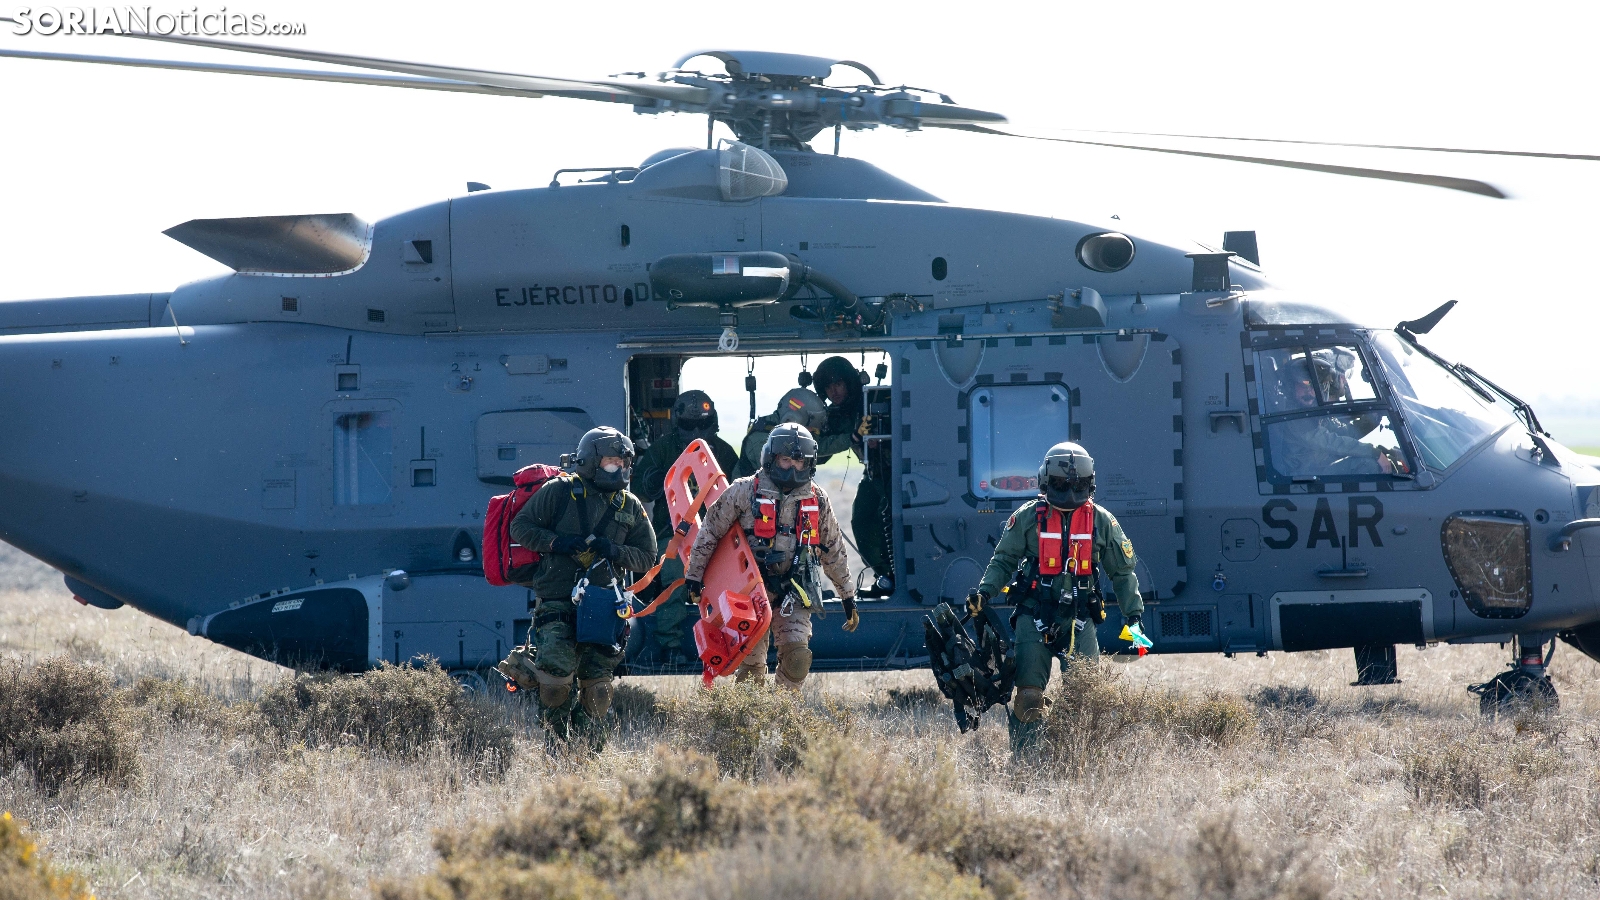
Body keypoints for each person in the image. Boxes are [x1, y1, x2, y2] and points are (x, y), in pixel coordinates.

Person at [965, 442, 1142, 751]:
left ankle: (1074, 757)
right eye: (1062, 484)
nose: (1069, 492)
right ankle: (1026, 761)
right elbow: (1003, 561)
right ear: (1046, 482)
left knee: (1085, 696)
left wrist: (1134, 616)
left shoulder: (1101, 522)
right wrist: (984, 592)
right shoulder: (1028, 518)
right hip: (1034, 616)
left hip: (1079, 618)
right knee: (1029, 698)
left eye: (1077, 485)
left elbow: (1123, 572)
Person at [508, 426, 657, 739]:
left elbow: (647, 557)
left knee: (598, 692)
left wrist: (615, 551)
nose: (620, 467)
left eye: (624, 462)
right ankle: (557, 748)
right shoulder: (558, 491)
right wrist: (556, 543)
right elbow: (520, 528)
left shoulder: (629, 505)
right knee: (554, 686)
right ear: (590, 461)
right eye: (612, 461)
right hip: (557, 603)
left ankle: (590, 756)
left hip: (603, 608)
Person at [684, 423, 859, 689]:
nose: (792, 467)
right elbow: (709, 532)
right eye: (786, 459)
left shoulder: (817, 499)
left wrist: (847, 596)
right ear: (772, 458)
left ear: (809, 463)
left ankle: (782, 718)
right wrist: (694, 577)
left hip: (794, 592)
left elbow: (833, 549)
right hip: (749, 593)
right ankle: (750, 726)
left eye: (799, 461)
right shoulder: (744, 491)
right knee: (750, 673)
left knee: (798, 659)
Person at [632, 391, 740, 664]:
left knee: (729, 581)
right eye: (689, 426)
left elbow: (741, 494)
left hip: (717, 535)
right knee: (676, 578)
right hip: (674, 536)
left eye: (701, 425)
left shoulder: (724, 452)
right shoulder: (663, 450)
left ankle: (731, 642)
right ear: (676, 423)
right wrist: (653, 480)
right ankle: (670, 646)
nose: (695, 431)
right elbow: (638, 491)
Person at [811, 355, 894, 596]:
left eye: (838, 384)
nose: (833, 391)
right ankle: (886, 576)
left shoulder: (876, 399)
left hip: (895, 472)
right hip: (874, 474)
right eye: (828, 386)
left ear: (848, 382)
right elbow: (822, 452)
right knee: (861, 521)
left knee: (890, 521)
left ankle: (896, 576)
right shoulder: (837, 414)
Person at [1269, 358, 1403, 477]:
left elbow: (1344, 433)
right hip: (1304, 475)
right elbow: (1331, 442)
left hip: (1318, 465)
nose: (1309, 392)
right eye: (1303, 386)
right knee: (1367, 464)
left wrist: (1371, 420)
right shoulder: (1295, 417)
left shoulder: (1313, 413)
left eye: (1313, 387)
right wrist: (1373, 452)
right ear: (1292, 388)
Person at [735, 387, 827, 477]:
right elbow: (777, 478)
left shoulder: (781, 435)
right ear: (792, 420)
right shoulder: (762, 439)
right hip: (749, 491)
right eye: (808, 429)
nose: (809, 434)